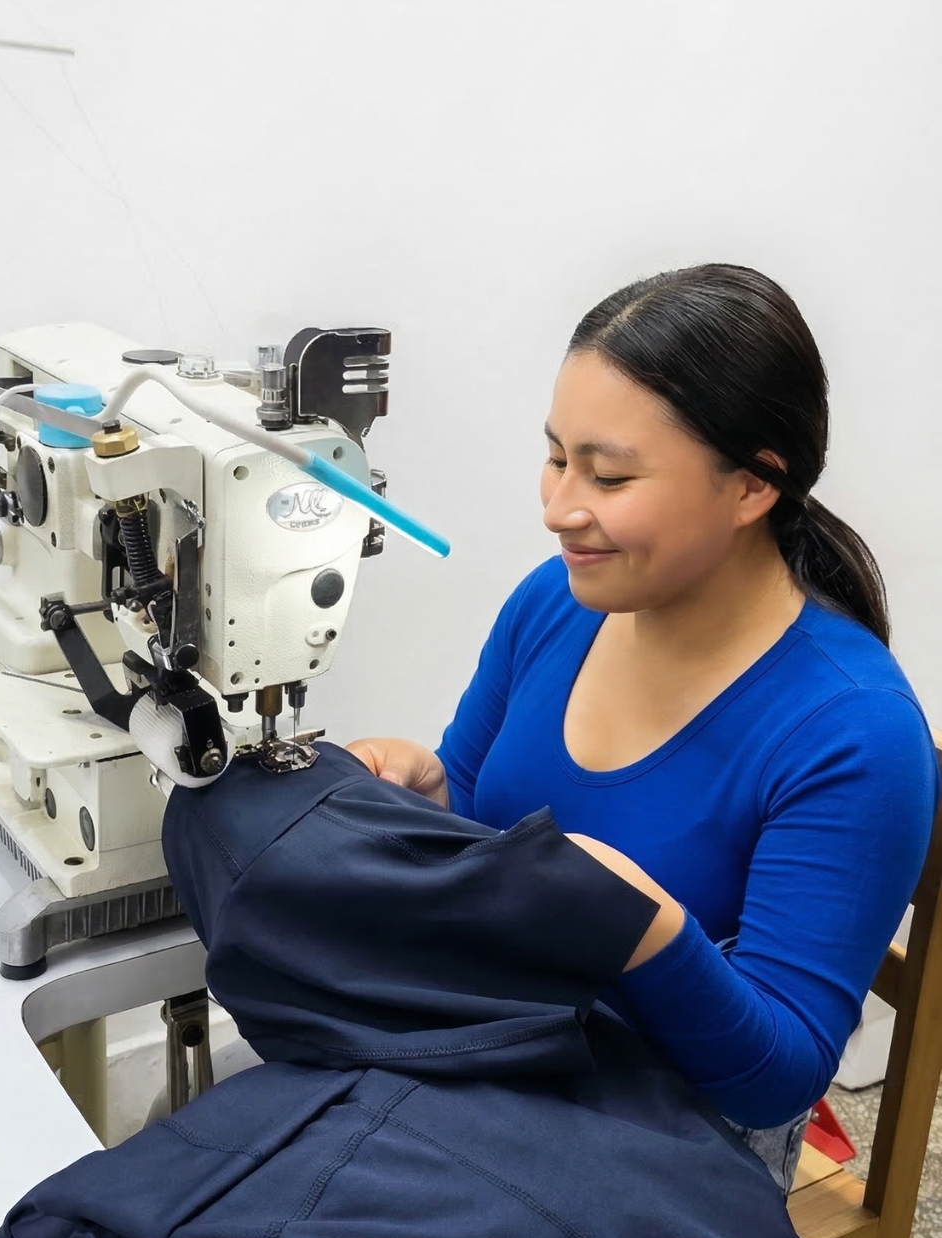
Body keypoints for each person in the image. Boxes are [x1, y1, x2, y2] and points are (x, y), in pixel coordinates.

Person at [347, 263, 939, 1190]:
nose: (557, 509)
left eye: (609, 475)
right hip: (491, 1072)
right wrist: (434, 787)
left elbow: (778, 1080)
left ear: (752, 486)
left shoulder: (852, 738)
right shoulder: (555, 605)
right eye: (556, 457)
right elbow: (481, 809)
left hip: (670, 1169)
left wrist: (647, 931)